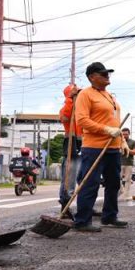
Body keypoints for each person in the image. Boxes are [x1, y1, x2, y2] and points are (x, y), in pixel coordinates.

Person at [73, 62, 127, 231]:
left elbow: (115, 122)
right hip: (94, 147)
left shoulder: (109, 96)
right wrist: (106, 129)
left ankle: (109, 216)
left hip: (113, 147)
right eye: (103, 74)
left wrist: (122, 140)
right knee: (90, 184)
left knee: (113, 184)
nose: (107, 76)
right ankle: (82, 221)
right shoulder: (85, 95)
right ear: (92, 77)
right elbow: (82, 120)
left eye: (107, 73)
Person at [58, 83, 82, 217]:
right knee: (69, 180)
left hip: (85, 146)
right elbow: (65, 117)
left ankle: (86, 207)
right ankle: (65, 206)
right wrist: (70, 99)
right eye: (76, 94)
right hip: (71, 147)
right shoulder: (65, 109)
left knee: (85, 180)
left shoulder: (83, 109)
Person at [120, 128, 135, 197]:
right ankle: (122, 190)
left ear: (129, 134)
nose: (124, 136)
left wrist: (128, 150)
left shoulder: (133, 142)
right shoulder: (118, 141)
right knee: (116, 178)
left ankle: (126, 195)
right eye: (123, 134)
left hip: (129, 163)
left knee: (128, 180)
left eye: (126, 134)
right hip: (119, 163)